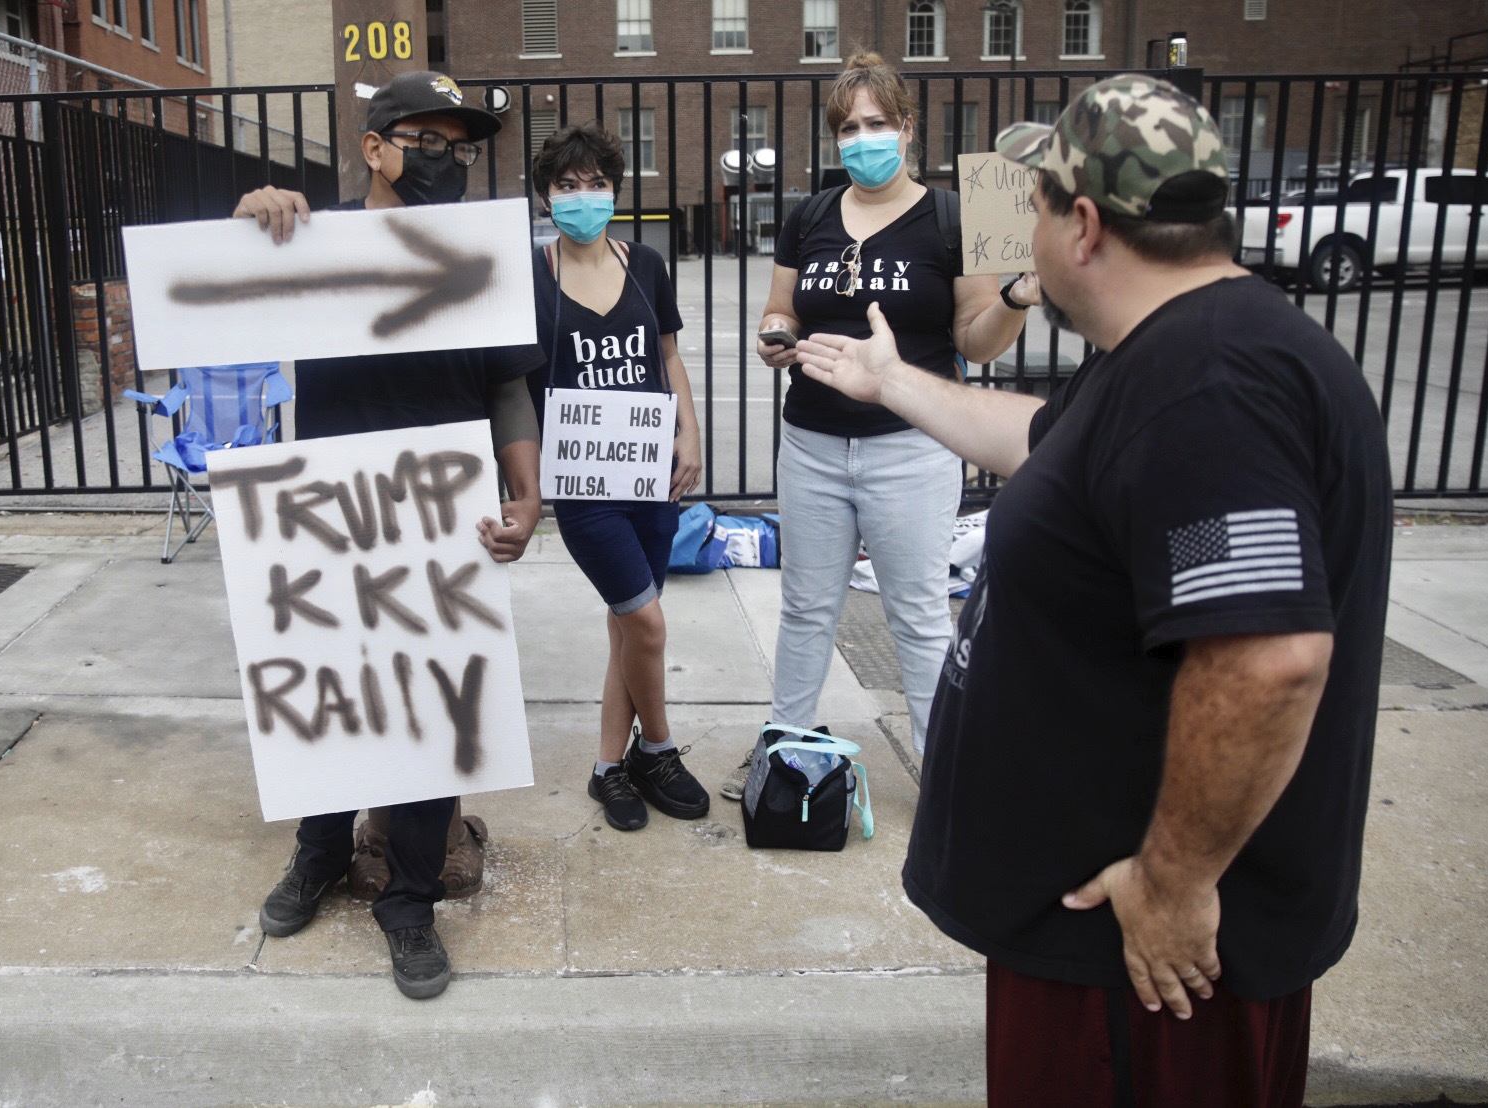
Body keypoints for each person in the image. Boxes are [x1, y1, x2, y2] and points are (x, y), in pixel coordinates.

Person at [795, 75, 1392, 1105]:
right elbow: (1045, 445)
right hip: (1095, 946)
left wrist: (1173, 882)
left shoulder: (1211, 389)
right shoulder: (1164, 355)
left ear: (1079, 223)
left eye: (1028, 207)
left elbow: (1266, 657)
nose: (1020, 234)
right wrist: (893, 382)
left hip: (1146, 974)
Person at [232, 70, 544, 1000]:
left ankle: (409, 901)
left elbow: (506, 384)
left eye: (463, 146)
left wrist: (527, 495)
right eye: (429, 140)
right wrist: (250, 212)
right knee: (330, 680)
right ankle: (320, 852)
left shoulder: (486, 252)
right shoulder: (304, 239)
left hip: (440, 513)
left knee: (430, 701)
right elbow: (208, 295)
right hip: (329, 515)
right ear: (374, 148)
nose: (449, 161)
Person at [721, 50, 1038, 800]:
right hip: (812, 443)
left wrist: (1018, 299)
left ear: (905, 128)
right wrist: (772, 333)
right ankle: (783, 749)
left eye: (875, 124)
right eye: (848, 128)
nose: (861, 139)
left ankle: (944, 771)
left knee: (919, 615)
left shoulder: (953, 215)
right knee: (805, 607)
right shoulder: (810, 216)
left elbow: (974, 340)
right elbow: (783, 308)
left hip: (912, 447)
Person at [527, 123, 708, 831]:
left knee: (626, 630)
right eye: (567, 186)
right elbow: (513, 386)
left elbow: (666, 358)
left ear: (615, 191)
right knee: (649, 624)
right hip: (583, 486)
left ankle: (609, 767)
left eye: (596, 183)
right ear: (546, 195)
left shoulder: (647, 264)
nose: (582, 197)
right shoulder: (532, 277)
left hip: (651, 476)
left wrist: (687, 433)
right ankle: (657, 749)